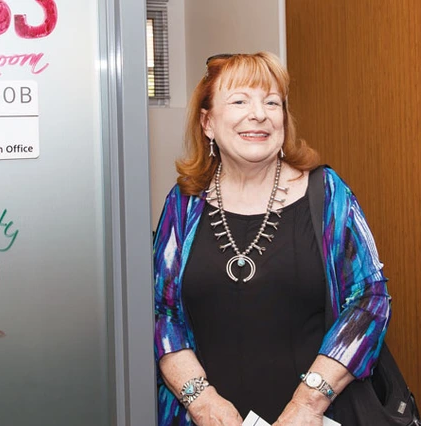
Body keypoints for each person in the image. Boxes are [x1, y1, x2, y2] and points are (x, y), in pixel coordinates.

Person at [153, 52, 391, 426]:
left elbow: (370, 300)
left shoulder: (327, 193)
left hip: (315, 416)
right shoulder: (182, 205)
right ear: (207, 122)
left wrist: (309, 403)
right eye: (239, 101)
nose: (259, 114)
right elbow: (161, 312)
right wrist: (200, 400)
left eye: (271, 102)